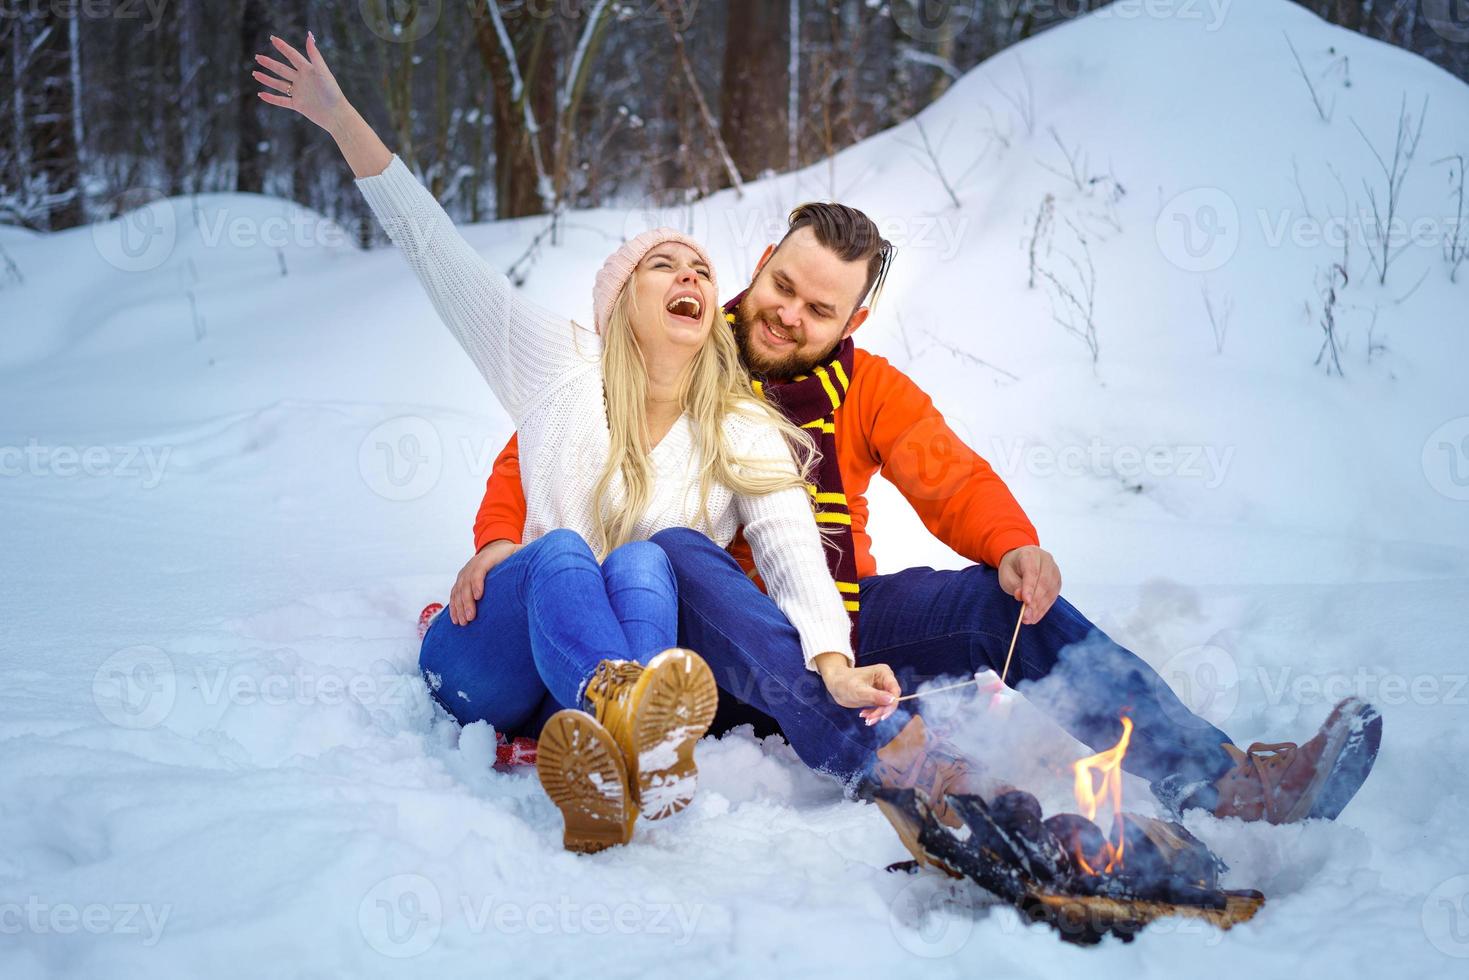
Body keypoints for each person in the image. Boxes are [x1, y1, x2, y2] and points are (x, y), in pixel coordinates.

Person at [461, 200, 1384, 848]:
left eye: (818, 307)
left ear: (853, 316)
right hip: (701, 633)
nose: (785, 313)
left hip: (836, 620)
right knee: (681, 551)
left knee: (997, 607)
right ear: (761, 265)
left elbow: (946, 474)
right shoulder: (685, 340)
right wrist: (502, 540)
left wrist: (1013, 543)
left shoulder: (868, 390)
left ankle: (1223, 782)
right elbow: (550, 440)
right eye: (781, 284)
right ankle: (887, 754)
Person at [250, 33, 896, 853]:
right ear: (621, 299)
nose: (691, 278)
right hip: (487, 662)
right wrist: (340, 120)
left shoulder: (736, 426)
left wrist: (833, 662)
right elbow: (437, 253)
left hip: (576, 702)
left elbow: (793, 552)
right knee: (561, 550)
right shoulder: (556, 363)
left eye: (700, 268)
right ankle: (627, 721)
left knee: (648, 558)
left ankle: (621, 754)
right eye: (665, 266)